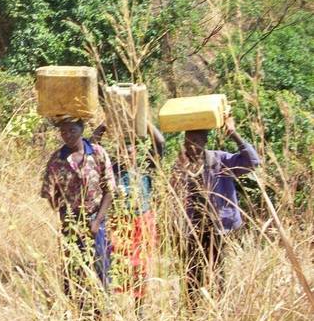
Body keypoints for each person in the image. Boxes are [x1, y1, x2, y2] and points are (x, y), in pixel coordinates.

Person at [171, 115, 260, 306]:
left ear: (205, 141)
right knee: (192, 273)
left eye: (195, 141)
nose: (191, 146)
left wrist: (233, 134)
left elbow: (252, 162)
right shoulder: (181, 165)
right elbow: (172, 198)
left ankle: (218, 309)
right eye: (187, 141)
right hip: (192, 229)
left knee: (217, 271)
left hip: (218, 228)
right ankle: (192, 311)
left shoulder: (220, 161)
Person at [91, 121, 164, 308]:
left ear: (137, 152)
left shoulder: (145, 167)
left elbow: (161, 142)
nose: (126, 154)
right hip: (119, 221)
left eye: (130, 150)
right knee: (119, 263)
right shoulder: (111, 170)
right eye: (122, 149)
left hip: (143, 221)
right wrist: (104, 126)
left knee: (141, 266)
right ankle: (116, 306)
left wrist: (145, 120)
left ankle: (139, 308)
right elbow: (92, 149)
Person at [41, 118, 116, 294]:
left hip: (96, 223)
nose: (67, 135)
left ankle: (103, 314)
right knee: (74, 273)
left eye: (72, 130)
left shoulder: (97, 153)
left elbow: (109, 190)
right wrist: (65, 216)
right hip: (71, 224)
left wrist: (97, 221)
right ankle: (78, 314)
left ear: (81, 129)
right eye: (64, 132)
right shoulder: (57, 159)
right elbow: (49, 193)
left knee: (102, 271)